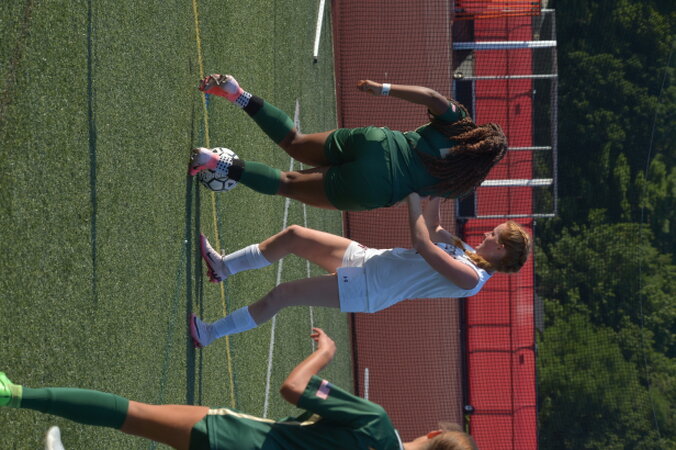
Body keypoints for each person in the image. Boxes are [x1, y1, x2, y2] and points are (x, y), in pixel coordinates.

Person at [1, 329, 478, 450]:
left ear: (435, 434)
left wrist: (324, 353)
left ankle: (14, 394)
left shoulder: (377, 423)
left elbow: (293, 388)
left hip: (240, 441)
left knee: (133, 414)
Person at [190, 193, 530, 347]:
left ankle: (210, 333)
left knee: (281, 295)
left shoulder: (471, 278)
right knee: (294, 235)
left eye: (494, 234)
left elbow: (424, 243)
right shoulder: (468, 252)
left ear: (501, 248)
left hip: (369, 288)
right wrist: (440, 190)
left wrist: (412, 196)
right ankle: (223, 267)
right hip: (369, 260)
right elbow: (434, 226)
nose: (487, 234)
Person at [189, 73, 508, 211]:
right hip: (376, 186)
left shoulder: (460, 123)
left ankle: (237, 93)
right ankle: (214, 162)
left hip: (376, 142)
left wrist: (382, 88)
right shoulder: (462, 183)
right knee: (286, 183)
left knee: (294, 140)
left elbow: (432, 96)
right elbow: (425, 207)